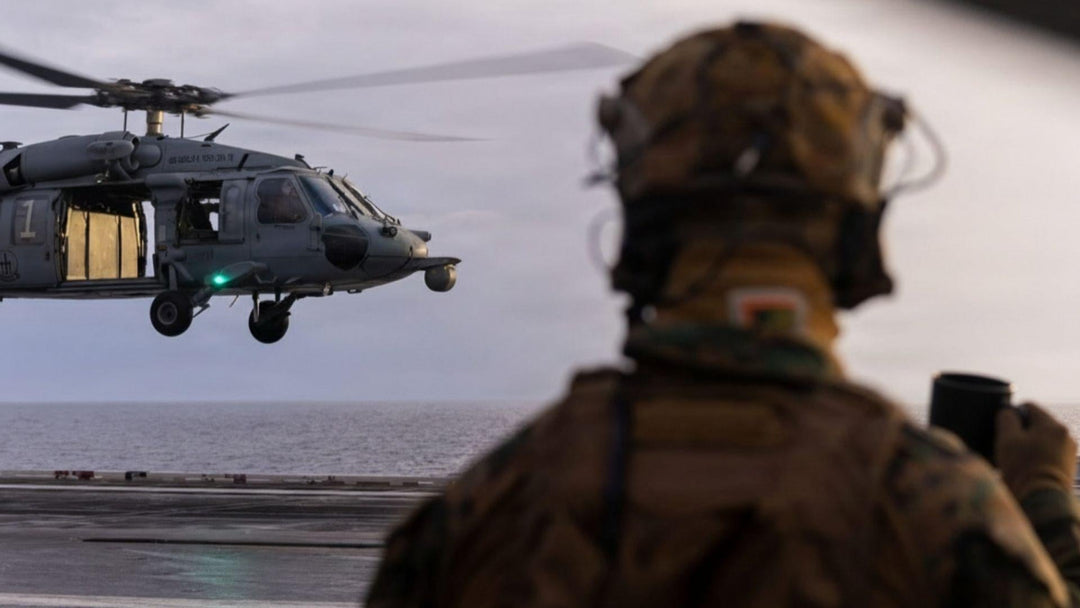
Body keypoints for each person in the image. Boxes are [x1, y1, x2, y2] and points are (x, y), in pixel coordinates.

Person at [365, 22, 1080, 607]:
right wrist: (1044, 502)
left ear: (640, 222)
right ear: (856, 231)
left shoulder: (491, 511)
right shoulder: (939, 508)